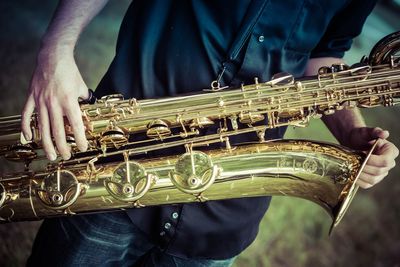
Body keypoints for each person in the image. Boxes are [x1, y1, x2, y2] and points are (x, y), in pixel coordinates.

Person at [22, 0, 399, 266]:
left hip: (228, 205)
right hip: (115, 166)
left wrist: (352, 132)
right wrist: (56, 50)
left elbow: (323, 58)